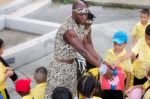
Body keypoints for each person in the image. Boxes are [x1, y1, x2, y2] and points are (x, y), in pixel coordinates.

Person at [45, 0, 112, 98]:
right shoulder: (69, 30)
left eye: (86, 14)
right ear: (73, 12)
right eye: (81, 14)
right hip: (59, 69)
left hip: (71, 66)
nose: (84, 17)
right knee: (58, 95)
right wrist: (102, 69)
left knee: (72, 95)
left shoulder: (80, 23)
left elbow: (87, 45)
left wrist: (102, 61)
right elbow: (83, 51)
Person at [103, 31, 133, 99]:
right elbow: (105, 66)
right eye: (115, 43)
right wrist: (101, 79)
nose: (117, 46)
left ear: (125, 44)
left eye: (119, 44)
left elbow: (128, 73)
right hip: (108, 81)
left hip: (120, 85)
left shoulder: (126, 56)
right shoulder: (109, 52)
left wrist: (126, 87)